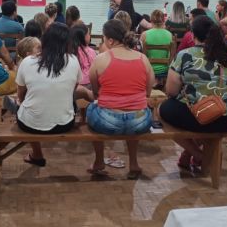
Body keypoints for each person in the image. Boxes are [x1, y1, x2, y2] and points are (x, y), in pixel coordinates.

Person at [160, 16, 227, 172]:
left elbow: (171, 91)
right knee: (201, 113)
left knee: (162, 112)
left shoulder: (186, 55)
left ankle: (198, 154)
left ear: (193, 35)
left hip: (206, 116)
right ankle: (188, 155)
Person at [87, 19, 154, 179]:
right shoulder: (142, 59)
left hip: (107, 121)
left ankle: (98, 161)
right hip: (140, 120)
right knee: (136, 113)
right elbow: (148, 92)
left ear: (110, 40)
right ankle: (134, 163)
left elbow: (96, 92)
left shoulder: (100, 59)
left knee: (92, 107)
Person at [13, 23, 82, 167]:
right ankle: (37, 154)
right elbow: (73, 90)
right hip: (64, 123)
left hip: (30, 124)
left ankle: (37, 154)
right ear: (67, 42)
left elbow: (20, 94)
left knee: (23, 106)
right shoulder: (74, 61)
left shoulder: (27, 62)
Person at [140, 9, 173, 84]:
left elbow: (141, 54)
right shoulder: (170, 35)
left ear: (151, 20)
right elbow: (171, 55)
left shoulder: (144, 35)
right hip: (165, 70)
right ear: (163, 21)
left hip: (149, 69)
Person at [69, 23, 97, 92]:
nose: (89, 36)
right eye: (88, 34)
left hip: (74, 85)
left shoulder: (69, 51)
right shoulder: (91, 51)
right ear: (83, 37)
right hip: (89, 85)